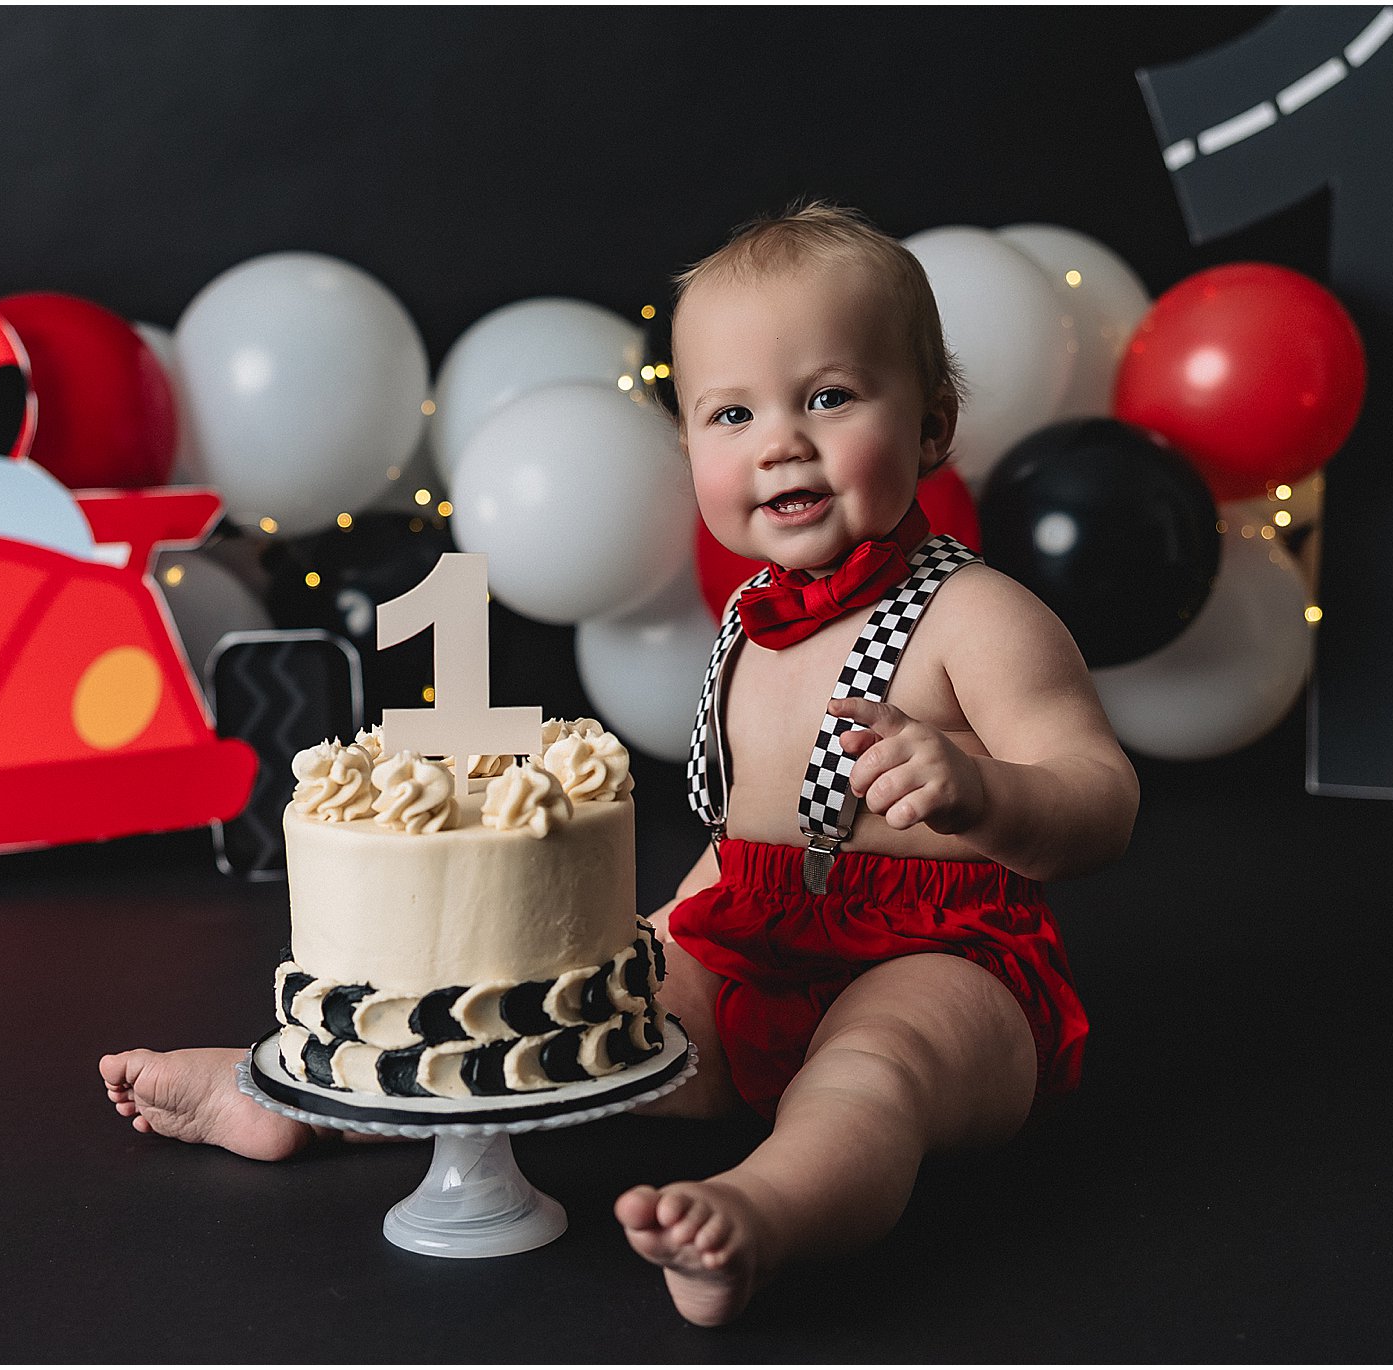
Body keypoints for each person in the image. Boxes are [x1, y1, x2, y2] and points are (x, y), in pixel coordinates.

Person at [100, 202, 1138, 1327]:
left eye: (827, 397)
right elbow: (747, 835)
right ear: (689, 444)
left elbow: (1100, 798)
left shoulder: (973, 616)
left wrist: (984, 790)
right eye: (731, 412)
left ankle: (761, 1212)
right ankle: (292, 1099)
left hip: (946, 954)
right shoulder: (747, 616)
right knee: (550, 1004)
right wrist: (653, 934)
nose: (779, 439)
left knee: (871, 1067)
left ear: (932, 423)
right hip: (751, 935)